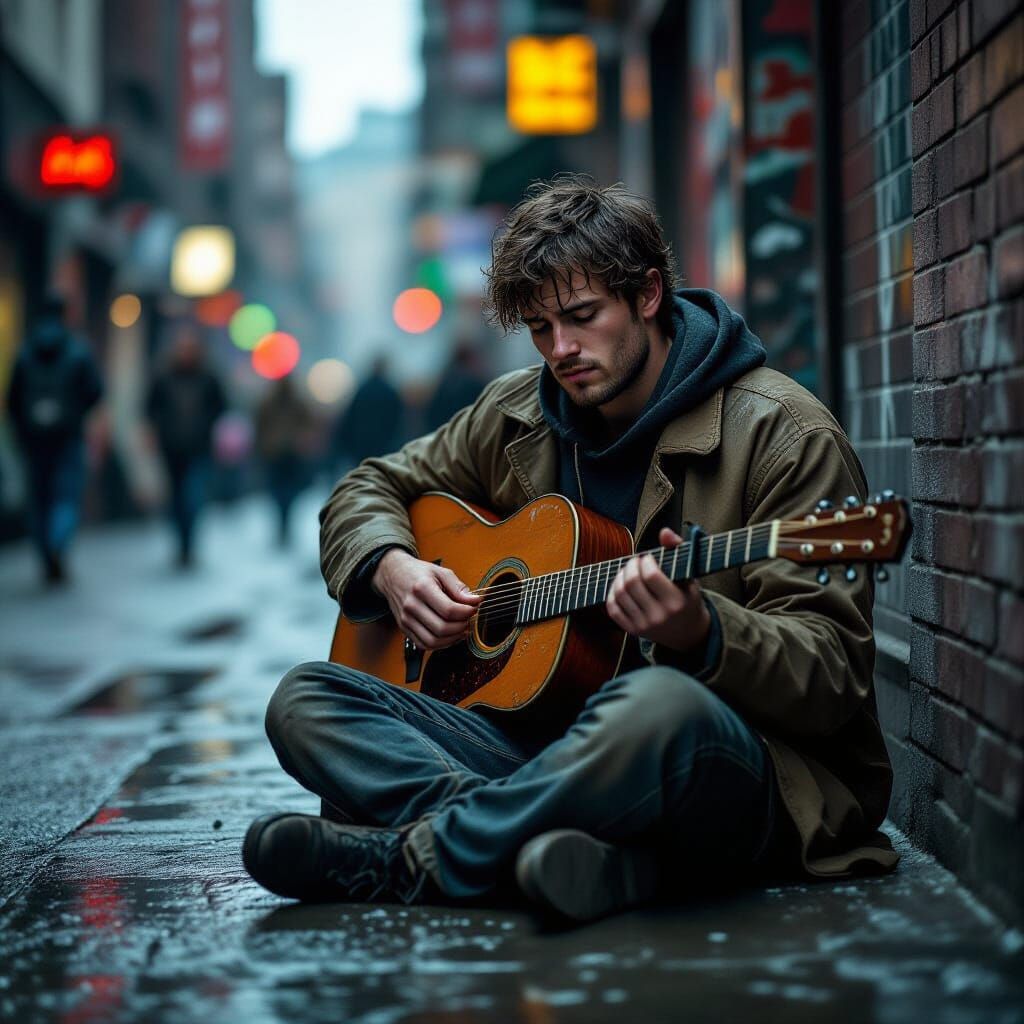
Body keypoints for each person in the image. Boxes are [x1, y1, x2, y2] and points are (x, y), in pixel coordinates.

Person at [243, 177, 896, 923]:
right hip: (545, 755)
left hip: (740, 765)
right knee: (307, 698)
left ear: (648, 294)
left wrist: (704, 633)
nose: (561, 350)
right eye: (540, 328)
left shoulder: (783, 434)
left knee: (654, 704)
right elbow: (369, 486)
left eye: (582, 317)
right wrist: (392, 567)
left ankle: (419, 857)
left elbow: (833, 674)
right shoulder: (517, 414)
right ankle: (542, 848)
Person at [6, 294, 103, 583]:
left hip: (33, 440)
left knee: (39, 499)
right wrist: (77, 414)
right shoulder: (78, 350)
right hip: (67, 437)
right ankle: (58, 541)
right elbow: (95, 392)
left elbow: (12, 399)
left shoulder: (25, 351)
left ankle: (46, 552)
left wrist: (21, 433)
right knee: (66, 495)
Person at [145, 322, 226, 567]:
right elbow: (150, 409)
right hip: (171, 449)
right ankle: (180, 543)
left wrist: (210, 428)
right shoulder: (163, 376)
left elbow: (221, 408)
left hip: (199, 449)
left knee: (193, 497)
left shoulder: (209, 377)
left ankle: (189, 544)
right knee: (175, 500)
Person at [255, 375, 314, 547]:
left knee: (280, 493)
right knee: (285, 493)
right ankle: (284, 526)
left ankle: (283, 526)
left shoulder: (268, 403)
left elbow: (259, 427)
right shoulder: (296, 402)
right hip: (286, 454)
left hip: (278, 454)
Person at [331, 355, 404, 474]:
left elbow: (350, 418)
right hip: (383, 445)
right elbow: (396, 421)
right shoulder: (390, 392)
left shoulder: (363, 389)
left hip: (361, 443)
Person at [423, 339, 488, 433]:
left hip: (443, 432)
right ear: (470, 360)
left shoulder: (443, 383)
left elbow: (431, 413)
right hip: (466, 432)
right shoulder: (475, 383)